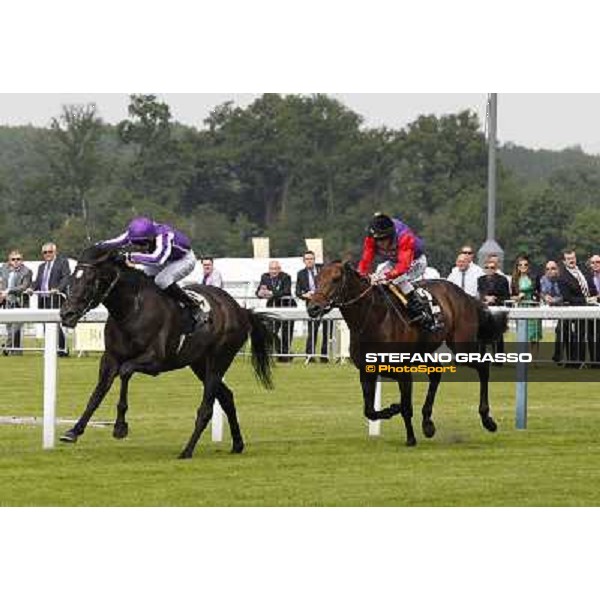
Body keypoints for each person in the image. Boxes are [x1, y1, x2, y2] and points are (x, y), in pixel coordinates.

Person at [96, 216, 204, 329]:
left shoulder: (164, 236)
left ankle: (193, 306)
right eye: (136, 243)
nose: (138, 246)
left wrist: (129, 256)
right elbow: (115, 242)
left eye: (142, 243)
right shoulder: (136, 233)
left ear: (151, 237)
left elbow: (158, 259)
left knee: (162, 280)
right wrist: (97, 248)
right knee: (143, 279)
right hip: (165, 259)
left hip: (183, 259)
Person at [357, 212, 441, 332]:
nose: (379, 243)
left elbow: (402, 267)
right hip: (393, 262)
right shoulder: (371, 238)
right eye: (377, 240)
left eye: (382, 239)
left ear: (391, 236)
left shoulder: (405, 237)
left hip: (415, 262)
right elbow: (365, 261)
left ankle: (421, 311)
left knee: (398, 280)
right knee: (378, 275)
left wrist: (385, 277)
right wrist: (362, 275)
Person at [29, 242, 72, 356]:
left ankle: (62, 349)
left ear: (55, 252)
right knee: (45, 324)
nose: (47, 254)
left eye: (50, 252)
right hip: (43, 298)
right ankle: (50, 349)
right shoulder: (41, 266)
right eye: (45, 252)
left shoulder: (62, 262)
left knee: (55, 324)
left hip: (55, 298)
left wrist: (58, 289)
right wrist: (31, 288)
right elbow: (38, 281)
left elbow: (66, 277)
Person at [557, 249, 597, 367]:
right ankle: (577, 361)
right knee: (579, 335)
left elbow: (592, 287)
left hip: (592, 307)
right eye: (568, 259)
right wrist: (586, 300)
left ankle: (595, 361)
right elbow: (567, 297)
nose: (571, 260)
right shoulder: (562, 277)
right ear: (564, 261)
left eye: (573, 258)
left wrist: (595, 296)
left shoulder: (584, 271)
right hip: (577, 310)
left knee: (594, 335)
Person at [256, 260, 296, 361]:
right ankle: (281, 352)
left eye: (275, 269)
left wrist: (271, 293)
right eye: (271, 269)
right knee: (270, 331)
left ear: (279, 269)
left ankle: (285, 356)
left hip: (287, 307)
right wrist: (260, 293)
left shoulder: (286, 277)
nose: (273, 271)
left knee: (286, 333)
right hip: (273, 308)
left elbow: (286, 291)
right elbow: (258, 291)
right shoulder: (264, 277)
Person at [296, 250, 331, 363]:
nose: (309, 261)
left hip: (325, 304)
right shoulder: (301, 274)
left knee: (327, 331)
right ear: (304, 261)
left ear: (314, 260)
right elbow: (297, 291)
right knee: (312, 331)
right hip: (312, 305)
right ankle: (310, 356)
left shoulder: (322, 270)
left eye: (311, 259)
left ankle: (324, 356)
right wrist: (304, 295)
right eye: (307, 259)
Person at [0, 249, 33, 355]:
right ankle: (15, 351)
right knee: (9, 327)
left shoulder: (27, 271)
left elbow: (23, 286)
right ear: (9, 260)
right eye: (13, 259)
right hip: (7, 302)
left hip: (21, 302)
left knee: (16, 327)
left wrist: (9, 290)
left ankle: (6, 347)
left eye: (18, 259)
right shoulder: (4, 268)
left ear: (22, 260)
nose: (16, 261)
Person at [477, 260, 510, 355]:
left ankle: (499, 358)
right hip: (485, 309)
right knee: (482, 333)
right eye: (487, 267)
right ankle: (482, 356)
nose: (489, 270)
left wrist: (494, 299)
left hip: (498, 309)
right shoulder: (480, 279)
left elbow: (506, 296)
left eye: (492, 268)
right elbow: (480, 293)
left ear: (496, 269)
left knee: (498, 335)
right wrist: (485, 298)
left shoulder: (503, 279)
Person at [510, 255, 542, 348]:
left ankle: (534, 361)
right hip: (521, 308)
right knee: (522, 337)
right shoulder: (514, 279)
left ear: (528, 266)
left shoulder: (534, 277)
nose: (523, 266)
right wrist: (517, 297)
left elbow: (540, 292)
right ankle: (524, 359)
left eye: (525, 264)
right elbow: (512, 296)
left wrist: (537, 297)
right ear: (517, 267)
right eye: (520, 265)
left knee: (534, 337)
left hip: (533, 307)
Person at [540, 260, 565, 364]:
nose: (550, 271)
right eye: (548, 269)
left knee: (561, 330)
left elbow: (564, 296)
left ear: (558, 270)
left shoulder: (563, 280)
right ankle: (558, 356)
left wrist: (554, 300)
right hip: (550, 308)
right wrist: (545, 296)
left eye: (553, 268)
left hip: (565, 308)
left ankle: (559, 356)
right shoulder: (543, 279)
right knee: (559, 331)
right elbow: (541, 292)